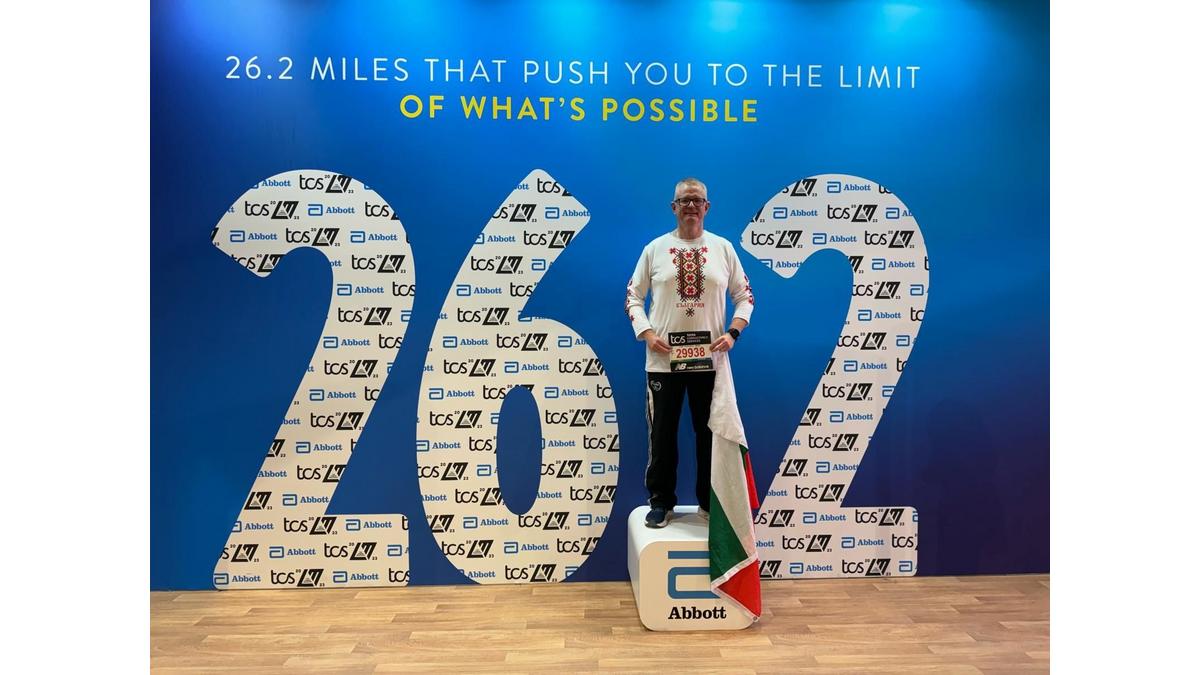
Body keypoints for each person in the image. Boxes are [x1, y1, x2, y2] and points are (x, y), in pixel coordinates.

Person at [624, 177, 755, 528]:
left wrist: (732, 333)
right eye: (684, 200)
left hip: (709, 361)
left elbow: (745, 297)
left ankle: (709, 503)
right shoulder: (654, 249)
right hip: (663, 361)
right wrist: (648, 334)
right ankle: (661, 501)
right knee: (662, 434)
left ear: (707, 207)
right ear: (674, 207)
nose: (691, 206)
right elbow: (633, 296)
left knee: (709, 433)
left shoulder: (723, 249)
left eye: (697, 200)